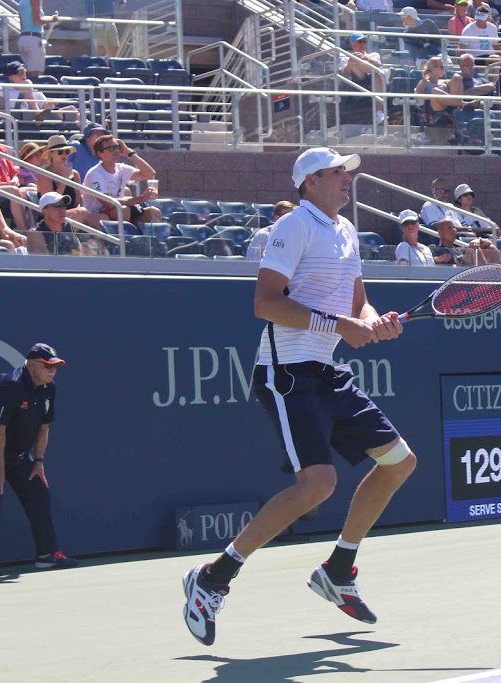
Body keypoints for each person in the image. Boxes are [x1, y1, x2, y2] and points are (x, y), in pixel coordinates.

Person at [182, 148, 416, 646]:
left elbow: (358, 302)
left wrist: (373, 321)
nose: (345, 179)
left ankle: (338, 568)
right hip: (286, 372)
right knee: (317, 484)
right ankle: (212, 578)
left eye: (344, 173)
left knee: (399, 462)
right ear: (309, 183)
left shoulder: (347, 231)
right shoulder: (294, 228)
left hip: (327, 369)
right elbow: (265, 304)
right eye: (336, 173)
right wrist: (341, 326)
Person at [0, 343, 77, 578]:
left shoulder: (48, 388)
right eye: (47, 366)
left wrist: (39, 462)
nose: (52, 371)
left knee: (38, 493)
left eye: (55, 367)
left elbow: (44, 427)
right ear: (33, 364)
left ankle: (47, 555)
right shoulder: (10, 386)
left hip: (20, 457)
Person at [82, 134, 161, 224]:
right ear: (100, 153)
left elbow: (150, 174)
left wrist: (129, 153)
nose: (116, 151)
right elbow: (109, 203)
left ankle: (137, 236)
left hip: (118, 210)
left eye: (117, 147)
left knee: (153, 212)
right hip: (98, 215)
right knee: (123, 211)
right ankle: (125, 236)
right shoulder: (95, 173)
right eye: (111, 148)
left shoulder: (121, 168)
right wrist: (141, 199)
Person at [37, 133, 102, 231]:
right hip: (52, 216)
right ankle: (66, 241)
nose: (64, 155)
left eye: (66, 152)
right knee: (82, 213)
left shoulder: (74, 174)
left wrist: (82, 212)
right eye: (60, 152)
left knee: (102, 218)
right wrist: (64, 180)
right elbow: (50, 204)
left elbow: (79, 201)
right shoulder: (45, 175)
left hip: (73, 214)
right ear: (51, 154)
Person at [0, 114, 32, 230]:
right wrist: (5, 185)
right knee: (14, 191)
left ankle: (33, 226)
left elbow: (13, 172)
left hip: (7, 187)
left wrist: (14, 180)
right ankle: (24, 229)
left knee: (32, 188)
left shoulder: (1, 149)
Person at [341, 33, 386, 125]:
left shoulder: (373, 54)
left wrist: (364, 58)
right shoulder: (345, 58)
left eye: (364, 41)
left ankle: (379, 113)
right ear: (353, 44)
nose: (363, 44)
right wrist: (351, 61)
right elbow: (345, 73)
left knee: (376, 73)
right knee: (354, 64)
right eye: (359, 41)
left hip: (372, 80)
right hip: (356, 83)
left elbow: (378, 64)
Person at [18, 0, 60, 79]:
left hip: (23, 38)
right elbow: (37, 21)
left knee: (27, 72)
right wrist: (53, 19)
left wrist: (48, 19)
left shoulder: (22, 2)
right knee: (35, 73)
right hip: (33, 39)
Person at [32, 191, 82, 256]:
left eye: (64, 206)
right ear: (44, 211)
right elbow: (43, 263)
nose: (63, 210)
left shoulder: (68, 227)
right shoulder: (36, 235)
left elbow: (77, 255)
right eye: (57, 206)